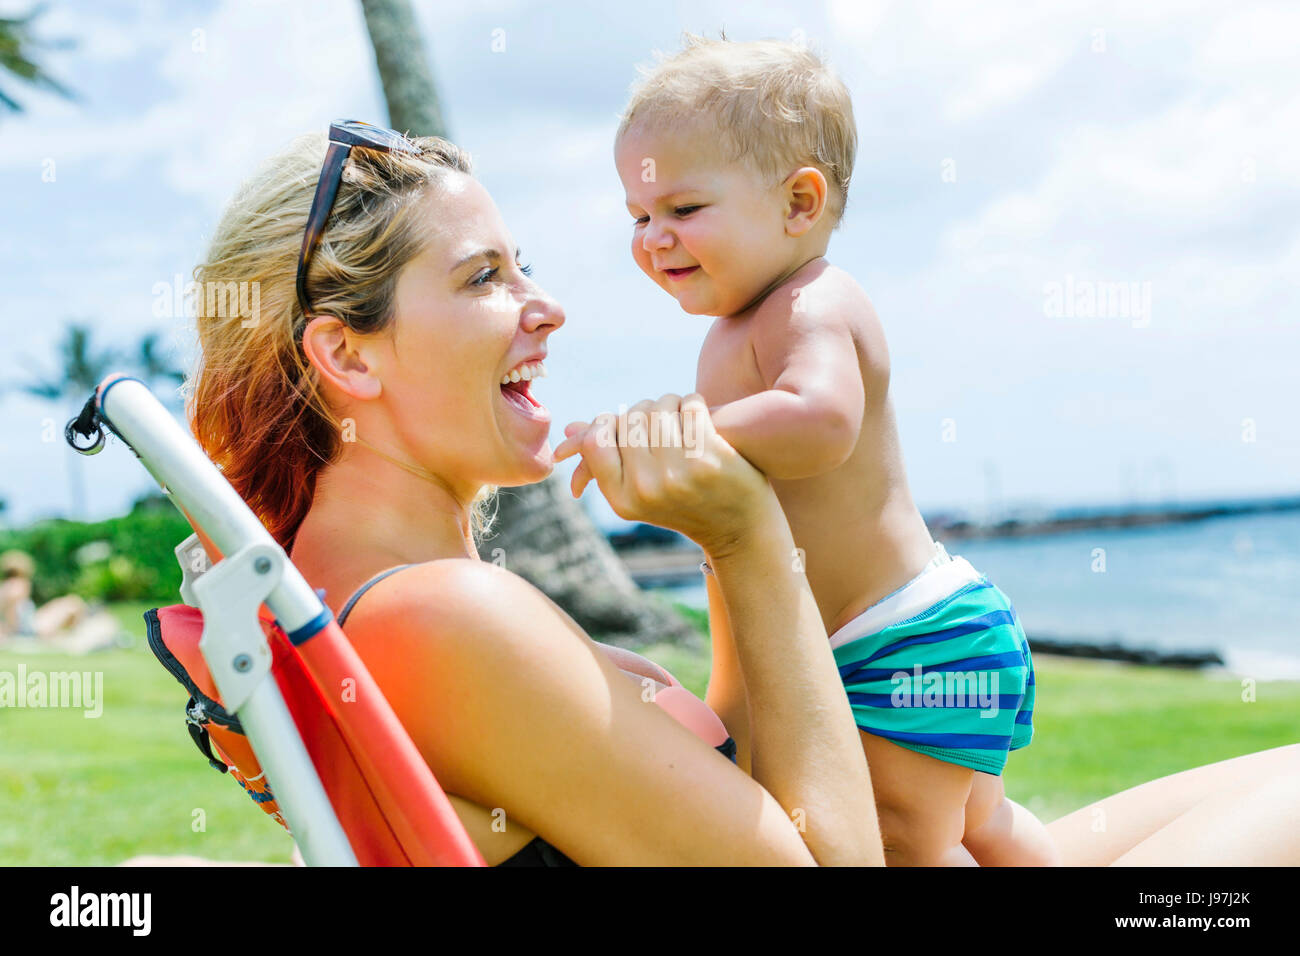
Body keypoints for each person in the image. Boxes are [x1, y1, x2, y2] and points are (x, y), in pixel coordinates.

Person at [184, 121, 1299, 866]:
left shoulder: (361, 598)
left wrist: (725, 533)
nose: (548, 305)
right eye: (485, 278)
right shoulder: (439, 616)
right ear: (349, 356)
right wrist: (752, 538)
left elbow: (762, 793)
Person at [611, 35, 1052, 865]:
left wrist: (688, 434)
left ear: (800, 203)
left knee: (906, 845)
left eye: (682, 209)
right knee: (981, 825)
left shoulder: (810, 304)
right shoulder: (738, 327)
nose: (653, 238)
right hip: (898, 634)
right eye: (639, 216)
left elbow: (821, 420)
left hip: (903, 640)